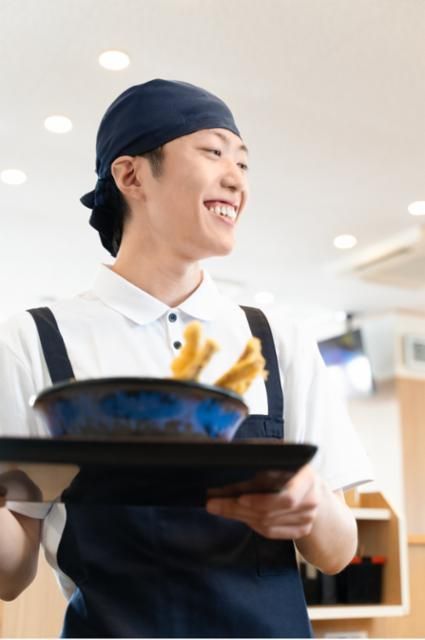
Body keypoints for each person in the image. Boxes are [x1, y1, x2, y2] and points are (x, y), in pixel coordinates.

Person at [0, 79, 373, 638]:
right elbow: (11, 573)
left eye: (243, 162)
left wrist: (312, 502)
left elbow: (339, 552)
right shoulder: (34, 341)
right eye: (213, 152)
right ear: (131, 176)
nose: (237, 178)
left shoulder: (276, 340)